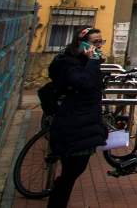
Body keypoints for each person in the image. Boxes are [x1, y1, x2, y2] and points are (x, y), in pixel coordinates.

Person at [46, 27, 107, 208]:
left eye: (100, 42)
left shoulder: (82, 61)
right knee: (71, 172)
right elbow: (83, 83)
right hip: (73, 123)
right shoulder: (69, 63)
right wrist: (92, 62)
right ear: (81, 44)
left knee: (74, 171)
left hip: (84, 121)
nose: (98, 46)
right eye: (94, 42)